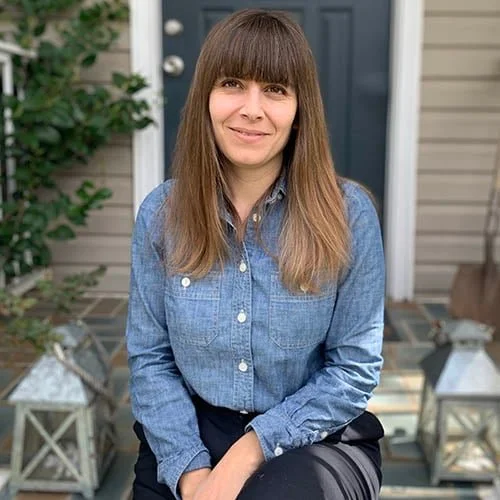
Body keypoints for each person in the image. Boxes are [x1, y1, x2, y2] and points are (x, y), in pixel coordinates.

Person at [126, 8, 385, 500]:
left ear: (300, 108)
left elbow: (353, 369)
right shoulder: (162, 214)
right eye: (232, 84)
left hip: (315, 432)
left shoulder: (349, 214)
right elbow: (150, 359)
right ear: (205, 97)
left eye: (275, 90)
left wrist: (246, 455)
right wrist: (192, 474)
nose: (252, 109)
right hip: (190, 432)